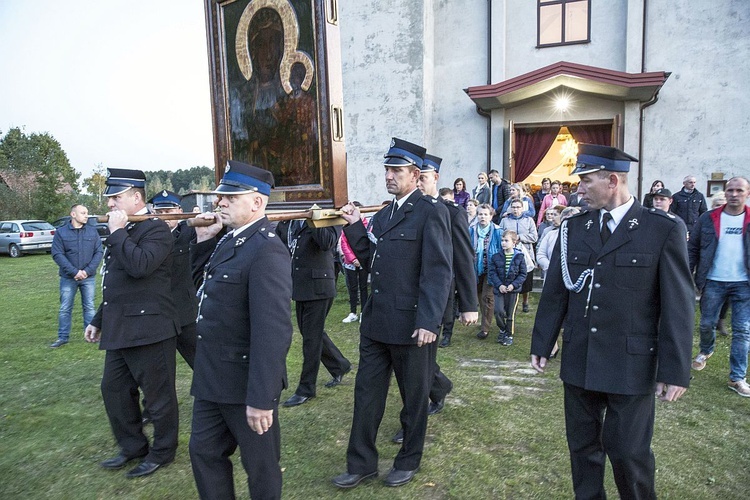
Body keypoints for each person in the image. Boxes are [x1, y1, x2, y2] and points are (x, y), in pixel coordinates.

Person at [530, 144, 694, 499]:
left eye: (586, 181)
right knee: (583, 449)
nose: (579, 189)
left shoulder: (659, 229)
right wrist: (542, 341)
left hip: (630, 362)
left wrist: (675, 368)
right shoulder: (575, 227)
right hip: (581, 356)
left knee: (628, 453)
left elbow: (678, 305)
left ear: (613, 180)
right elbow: (556, 291)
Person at [332, 138, 452, 489]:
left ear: (415, 174)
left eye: (396, 170)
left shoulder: (432, 212)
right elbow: (372, 261)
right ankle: (361, 463)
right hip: (377, 321)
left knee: (414, 399)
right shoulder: (385, 214)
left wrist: (429, 321)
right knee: (366, 396)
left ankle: (408, 459)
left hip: (412, 324)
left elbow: (438, 270)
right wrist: (354, 224)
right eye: (387, 169)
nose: (389, 175)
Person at [189, 160, 293, 499]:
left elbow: (272, 331)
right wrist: (204, 240)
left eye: (230, 198)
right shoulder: (229, 239)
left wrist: (262, 398)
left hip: (245, 384)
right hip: (212, 378)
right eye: (222, 197)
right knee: (204, 454)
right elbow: (202, 291)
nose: (220, 203)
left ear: (257, 203)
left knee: (260, 468)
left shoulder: (266, 250)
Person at [84, 169, 180, 479]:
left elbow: (140, 266)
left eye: (116, 197)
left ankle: (163, 452)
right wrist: (98, 320)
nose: (110, 203)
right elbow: (118, 284)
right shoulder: (123, 230)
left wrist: (117, 233)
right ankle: (133, 446)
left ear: (136, 197)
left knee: (158, 395)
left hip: (151, 328)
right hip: (120, 326)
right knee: (113, 389)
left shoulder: (156, 230)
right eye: (110, 198)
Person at [275, 218, 351, 407]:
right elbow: (278, 244)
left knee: (311, 338)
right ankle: (340, 365)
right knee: (311, 333)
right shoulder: (288, 221)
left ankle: (306, 388)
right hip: (299, 285)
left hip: (320, 286)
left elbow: (326, 242)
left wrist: (313, 218)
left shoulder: (329, 218)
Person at [687, 177, 750, 397]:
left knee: (742, 330)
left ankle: (737, 377)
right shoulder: (708, 218)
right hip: (713, 281)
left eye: (739, 190)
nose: (734, 194)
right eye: (730, 190)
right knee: (706, 323)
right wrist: (688, 275)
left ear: (747, 193)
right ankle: (706, 349)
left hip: (744, 284)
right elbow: (692, 248)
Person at [148, 190, 198, 367]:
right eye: (159, 212)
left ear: (179, 210)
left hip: (185, 312)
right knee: (158, 369)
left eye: (169, 212)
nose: (164, 217)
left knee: (200, 362)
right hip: (157, 314)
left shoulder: (190, 232)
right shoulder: (148, 237)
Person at [50, 203, 103, 348]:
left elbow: (99, 252)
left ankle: (92, 335)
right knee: (65, 308)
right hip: (68, 278)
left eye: (87, 213)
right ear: (73, 214)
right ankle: (62, 337)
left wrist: (86, 271)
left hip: (88, 277)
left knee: (89, 307)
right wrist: (74, 272)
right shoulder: (61, 232)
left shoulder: (92, 232)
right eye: (83, 213)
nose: (86, 215)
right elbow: (57, 254)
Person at [470, 204, 504, 339]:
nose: (482, 217)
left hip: (491, 270)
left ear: (491, 216)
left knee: (487, 297)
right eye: (480, 214)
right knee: (479, 296)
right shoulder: (471, 230)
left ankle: (485, 328)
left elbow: (502, 250)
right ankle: (485, 319)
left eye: (485, 214)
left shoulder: (497, 231)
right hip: (475, 269)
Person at [488, 230, 527, 346]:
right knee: (498, 311)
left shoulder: (519, 257)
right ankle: (502, 329)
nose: (503, 243)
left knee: (510, 314)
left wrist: (513, 285)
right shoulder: (496, 257)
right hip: (499, 289)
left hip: (513, 290)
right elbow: (492, 272)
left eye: (506, 241)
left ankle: (509, 334)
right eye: (502, 240)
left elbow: (522, 274)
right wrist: (499, 285)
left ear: (514, 242)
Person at [499, 199, 538, 313]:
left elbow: (534, 237)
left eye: (518, 207)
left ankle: (525, 301)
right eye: (513, 207)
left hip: (525, 252)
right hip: (509, 253)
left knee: (526, 278)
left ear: (522, 208)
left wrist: (520, 237)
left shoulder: (528, 220)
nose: (515, 209)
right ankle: (511, 303)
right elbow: (501, 234)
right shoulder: (505, 220)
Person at [340, 205, 369, 324]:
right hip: (351, 262)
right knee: (352, 288)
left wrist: (360, 259)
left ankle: (363, 312)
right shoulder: (345, 226)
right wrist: (353, 259)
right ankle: (352, 312)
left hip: (362, 262)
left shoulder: (366, 225)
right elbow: (344, 244)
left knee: (363, 288)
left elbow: (366, 241)